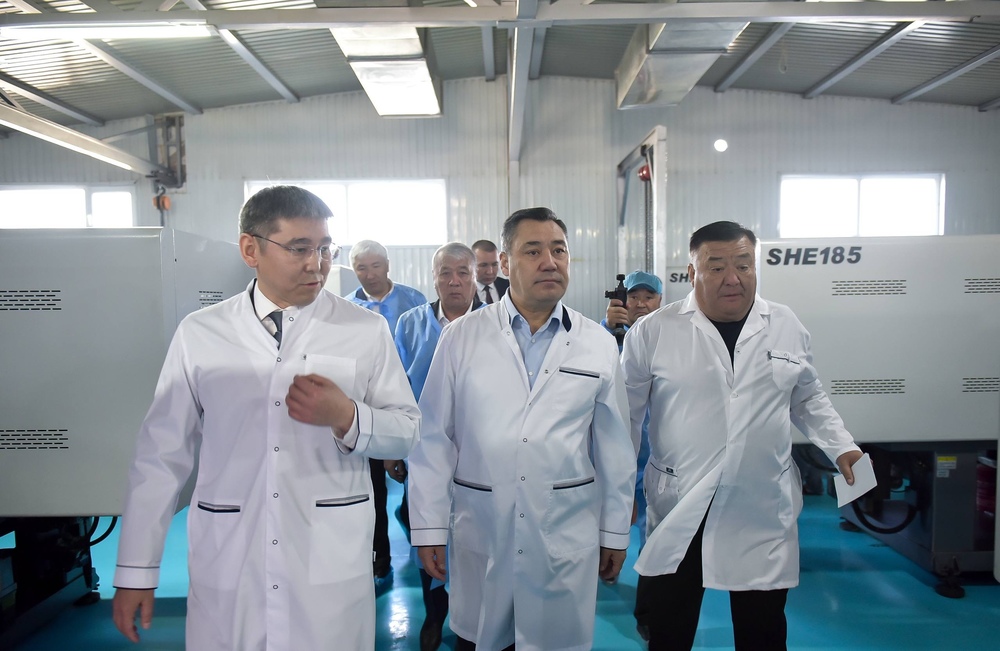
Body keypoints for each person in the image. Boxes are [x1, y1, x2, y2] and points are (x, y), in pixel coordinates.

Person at [111, 185, 420, 650]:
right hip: (230, 552)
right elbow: (160, 456)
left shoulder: (364, 330)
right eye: (299, 248)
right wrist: (136, 570)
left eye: (324, 248)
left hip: (327, 557)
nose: (316, 264)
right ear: (250, 249)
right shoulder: (201, 333)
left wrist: (347, 416)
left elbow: (407, 432)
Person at [621, 221, 864, 651]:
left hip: (760, 501)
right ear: (692, 273)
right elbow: (625, 418)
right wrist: (616, 497)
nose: (733, 278)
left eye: (744, 265)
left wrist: (841, 444)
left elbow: (807, 395)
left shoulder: (784, 323)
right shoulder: (654, 331)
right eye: (716, 267)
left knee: (763, 629)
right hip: (682, 500)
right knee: (670, 626)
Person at [408, 207, 637, 651]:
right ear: (505, 263)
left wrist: (614, 532)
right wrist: (429, 528)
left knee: (555, 640)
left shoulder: (596, 343)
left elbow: (615, 447)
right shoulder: (461, 337)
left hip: (564, 529)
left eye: (559, 251)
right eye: (533, 251)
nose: (549, 262)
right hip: (484, 525)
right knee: (481, 639)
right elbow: (434, 438)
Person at [392, 242, 483, 651]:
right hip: (423, 450)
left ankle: (474, 619)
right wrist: (394, 449)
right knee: (426, 529)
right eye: (446, 273)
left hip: (479, 452)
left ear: (476, 278)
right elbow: (395, 388)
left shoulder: (494, 324)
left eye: (463, 273)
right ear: (434, 278)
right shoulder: (410, 324)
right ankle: (434, 613)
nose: (454, 281)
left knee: (476, 537)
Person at [345, 238, 428, 590]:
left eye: (375, 266)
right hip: (365, 408)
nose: (369, 274)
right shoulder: (346, 308)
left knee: (416, 487)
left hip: (410, 404)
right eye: (361, 268)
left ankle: (422, 542)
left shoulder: (413, 301)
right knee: (372, 489)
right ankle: (380, 559)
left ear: (388, 266)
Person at [601, 270, 663, 550]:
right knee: (606, 533)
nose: (640, 303)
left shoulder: (672, 338)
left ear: (660, 301)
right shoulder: (602, 337)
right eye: (633, 296)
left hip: (658, 455)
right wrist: (607, 328)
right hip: (614, 450)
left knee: (657, 536)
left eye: (648, 297)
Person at [471, 239, 509, 304]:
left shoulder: (508, 286)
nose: (490, 272)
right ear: (471, 264)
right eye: (483, 265)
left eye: (494, 265)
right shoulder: (464, 291)